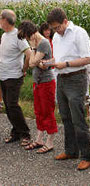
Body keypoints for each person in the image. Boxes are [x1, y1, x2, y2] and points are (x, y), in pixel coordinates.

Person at [47, 8, 90, 170]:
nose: (55, 31)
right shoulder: (57, 37)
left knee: (78, 119)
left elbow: (88, 58)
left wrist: (65, 64)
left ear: (65, 21)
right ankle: (71, 150)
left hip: (76, 78)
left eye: (57, 27)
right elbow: (60, 57)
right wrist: (50, 62)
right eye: (53, 29)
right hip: (61, 78)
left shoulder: (78, 33)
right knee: (65, 117)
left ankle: (86, 156)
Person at [17, 20, 58, 154]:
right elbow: (31, 64)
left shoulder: (43, 43)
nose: (28, 40)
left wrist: (34, 51)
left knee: (48, 111)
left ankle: (50, 142)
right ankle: (40, 139)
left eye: (28, 37)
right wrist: (36, 59)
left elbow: (33, 62)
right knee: (38, 111)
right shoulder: (35, 42)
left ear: (31, 33)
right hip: (38, 82)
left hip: (46, 82)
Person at [0, 9, 31, 146]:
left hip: (14, 76)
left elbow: (29, 53)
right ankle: (16, 132)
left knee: (12, 105)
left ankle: (25, 133)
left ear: (5, 20)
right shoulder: (4, 35)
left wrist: (24, 69)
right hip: (3, 75)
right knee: (7, 105)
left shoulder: (18, 35)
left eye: (0, 18)